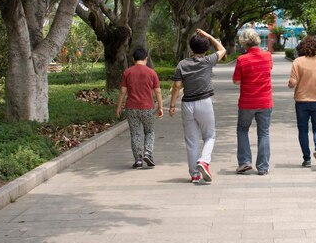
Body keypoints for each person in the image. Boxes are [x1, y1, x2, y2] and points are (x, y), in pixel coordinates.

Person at [169, 29, 226, 183]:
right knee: (210, 136)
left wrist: (172, 105)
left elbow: (176, 86)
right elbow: (222, 50)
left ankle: (195, 174)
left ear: (191, 47)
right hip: (204, 102)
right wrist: (209, 36)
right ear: (206, 49)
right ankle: (204, 161)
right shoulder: (208, 60)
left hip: (187, 104)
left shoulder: (182, 64)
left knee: (191, 141)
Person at [288, 36, 316, 170]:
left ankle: (307, 159)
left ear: (302, 47)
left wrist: (291, 84)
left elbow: (293, 83)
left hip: (301, 101)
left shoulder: (297, 62)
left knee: (303, 129)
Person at [232, 28, 273, 175]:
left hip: (247, 102)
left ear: (244, 43)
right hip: (265, 101)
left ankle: (244, 162)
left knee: (242, 130)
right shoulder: (268, 56)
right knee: (264, 133)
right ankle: (262, 167)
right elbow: (269, 69)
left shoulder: (242, 60)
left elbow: (236, 81)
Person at [115, 48, 163, 169]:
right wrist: (161, 107)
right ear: (146, 58)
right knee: (150, 131)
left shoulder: (127, 72)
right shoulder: (152, 73)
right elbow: (158, 92)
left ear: (133, 59)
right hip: (147, 108)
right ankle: (148, 152)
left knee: (135, 134)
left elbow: (122, 91)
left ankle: (138, 160)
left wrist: (118, 107)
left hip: (131, 108)